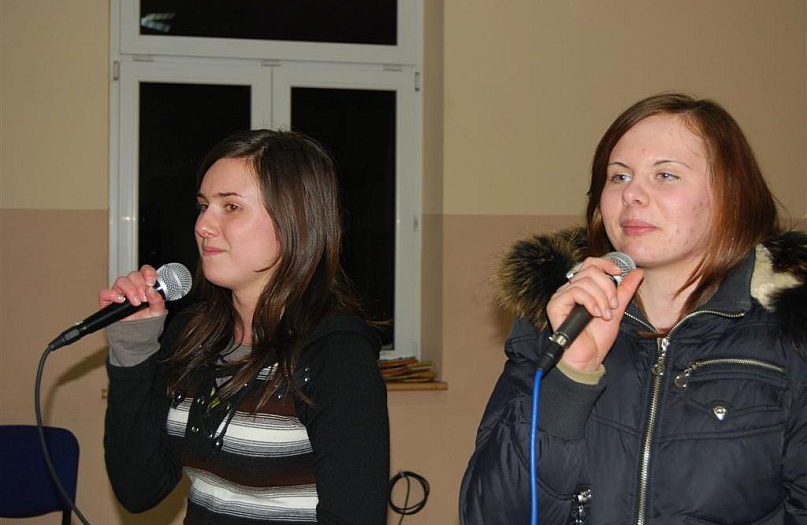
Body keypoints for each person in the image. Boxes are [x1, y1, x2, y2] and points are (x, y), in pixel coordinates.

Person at [459, 93, 807, 523]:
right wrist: (572, 376)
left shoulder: (791, 331)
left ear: (731, 195)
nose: (632, 195)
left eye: (665, 175)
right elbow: (491, 515)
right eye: (619, 176)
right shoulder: (555, 322)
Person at [101, 129, 390, 524]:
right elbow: (139, 489)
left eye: (231, 207)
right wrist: (133, 347)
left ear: (293, 222)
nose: (203, 225)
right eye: (203, 206)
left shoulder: (334, 353)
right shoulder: (193, 337)